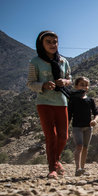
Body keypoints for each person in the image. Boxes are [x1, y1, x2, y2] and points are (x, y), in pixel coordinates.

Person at [27, 30, 72, 179]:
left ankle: (56, 160)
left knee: (63, 136)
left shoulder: (63, 61)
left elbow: (69, 78)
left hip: (61, 102)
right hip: (44, 103)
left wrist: (64, 82)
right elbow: (30, 83)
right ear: (41, 44)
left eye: (55, 42)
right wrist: (44, 85)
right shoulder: (35, 62)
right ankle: (52, 167)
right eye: (49, 42)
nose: (53, 45)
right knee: (51, 136)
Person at [68, 77, 98, 176]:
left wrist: (95, 120)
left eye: (86, 85)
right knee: (79, 146)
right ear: (76, 86)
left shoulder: (90, 100)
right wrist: (66, 128)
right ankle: (78, 168)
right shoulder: (73, 100)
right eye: (82, 84)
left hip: (88, 128)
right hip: (77, 127)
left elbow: (96, 113)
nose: (84, 87)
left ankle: (82, 168)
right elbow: (69, 115)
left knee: (85, 147)